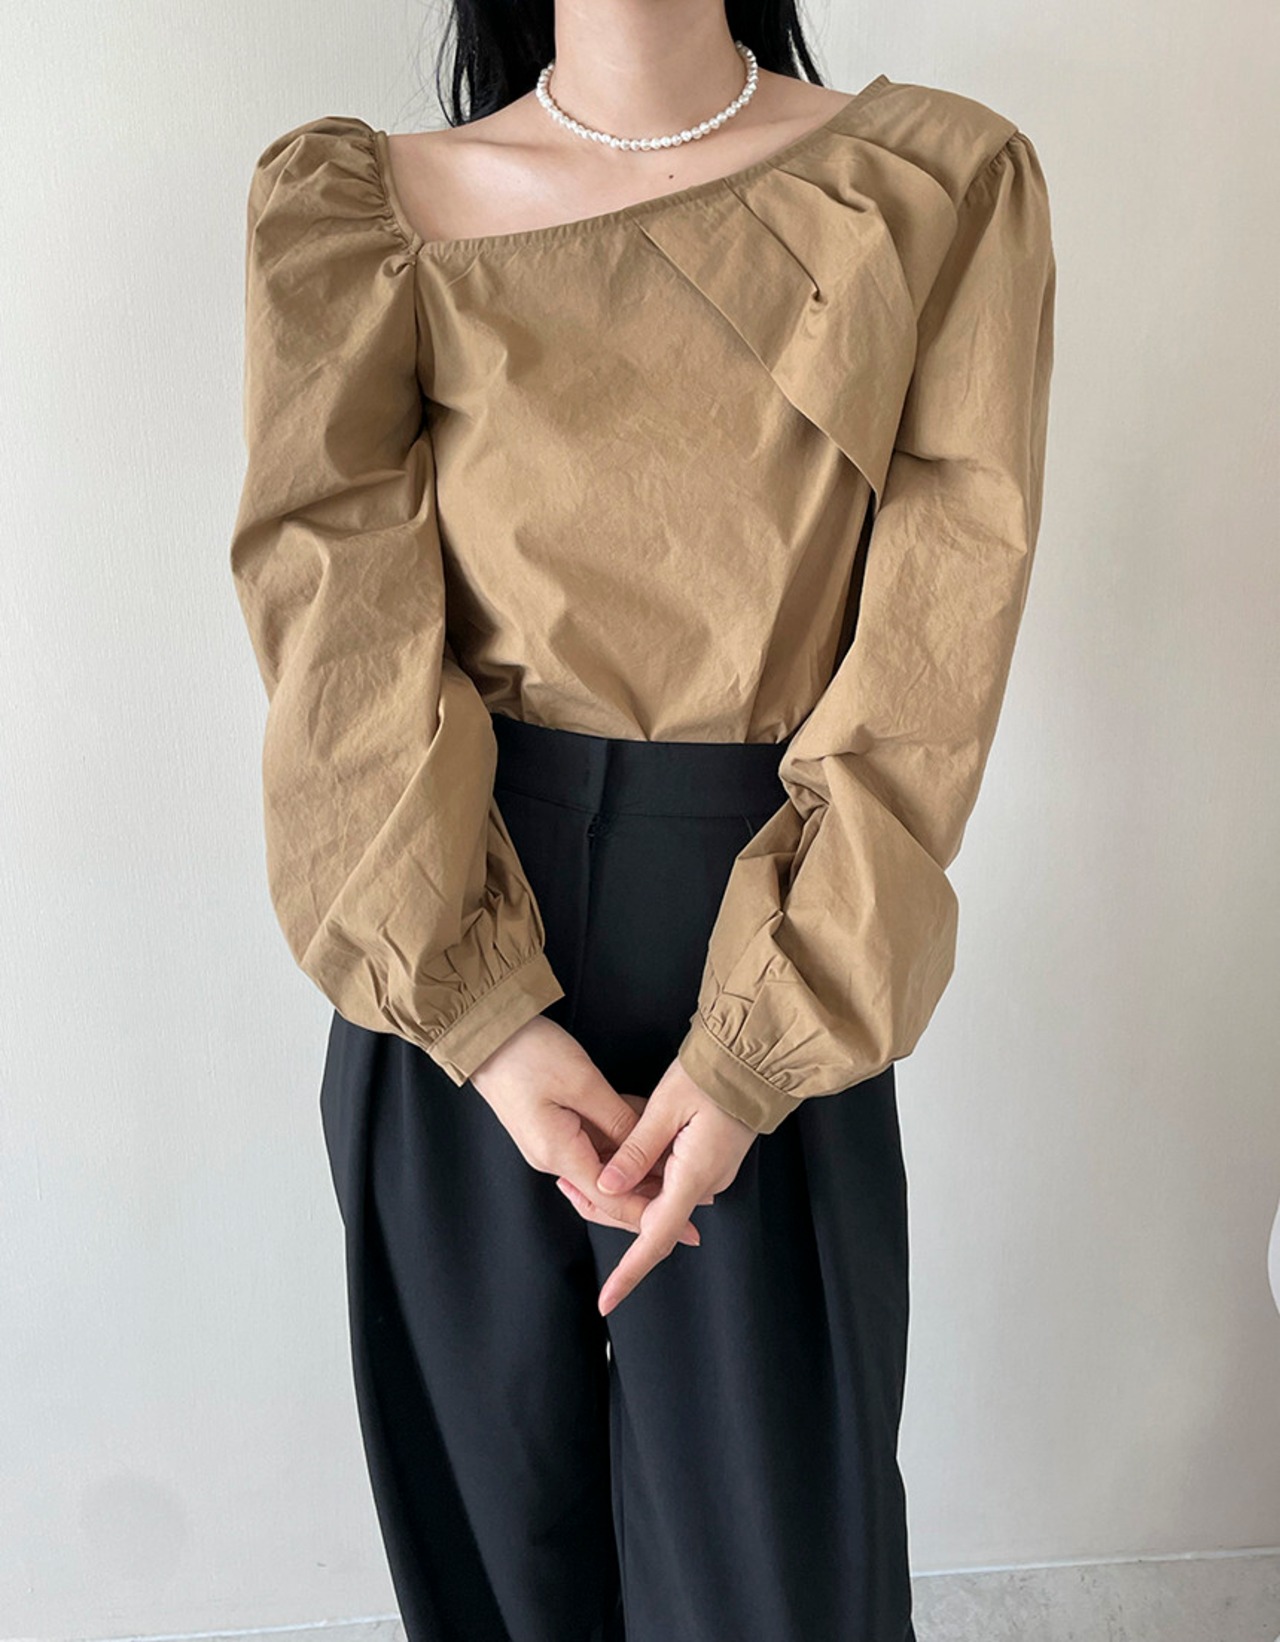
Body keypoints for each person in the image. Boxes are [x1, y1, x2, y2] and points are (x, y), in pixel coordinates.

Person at [228, 2, 1056, 1636]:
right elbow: (339, 638)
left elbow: (931, 657)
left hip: (777, 928)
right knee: (491, 1579)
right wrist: (476, 1012)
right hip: (446, 941)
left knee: (780, 1581)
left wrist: (759, 1044)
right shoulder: (357, 212)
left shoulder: (934, 183)